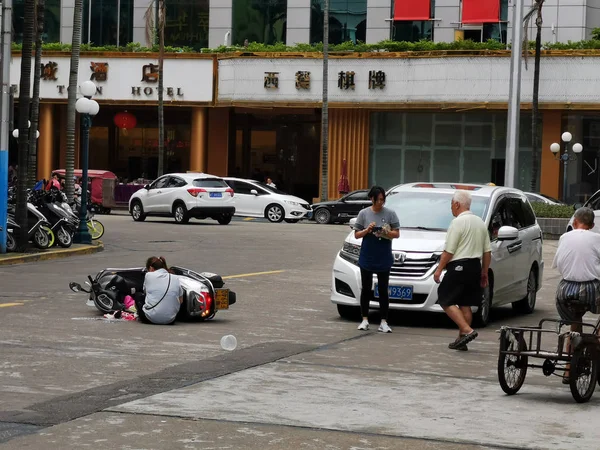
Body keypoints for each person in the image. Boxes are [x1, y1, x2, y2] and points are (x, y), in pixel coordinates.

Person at [433, 190, 491, 351]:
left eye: (452, 204)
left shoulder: (457, 222)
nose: (451, 207)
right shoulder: (480, 222)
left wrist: (438, 270)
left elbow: (449, 251)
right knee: (464, 304)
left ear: (457, 204)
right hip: (475, 267)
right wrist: (484, 272)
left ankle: (467, 330)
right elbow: (487, 251)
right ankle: (461, 339)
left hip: (459, 266)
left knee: (444, 298)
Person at [552, 207, 600, 381]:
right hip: (590, 290)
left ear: (574, 222)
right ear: (592, 225)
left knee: (574, 322)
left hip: (564, 292)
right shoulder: (597, 238)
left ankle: (568, 369)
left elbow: (558, 264)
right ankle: (597, 342)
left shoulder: (565, 237)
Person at [353, 186, 400, 333]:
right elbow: (356, 235)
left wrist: (387, 232)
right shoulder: (364, 214)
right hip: (367, 255)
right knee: (366, 288)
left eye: (382, 199)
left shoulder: (390, 214)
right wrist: (367, 230)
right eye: (377, 199)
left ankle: (384, 321)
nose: (380, 202)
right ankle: (365, 319)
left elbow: (397, 233)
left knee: (383, 289)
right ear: (371, 199)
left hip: (383, 256)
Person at [135, 256, 183, 325]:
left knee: (138, 295)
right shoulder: (175, 278)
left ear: (151, 268)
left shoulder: (148, 275)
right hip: (170, 320)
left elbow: (146, 294)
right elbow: (181, 300)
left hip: (150, 319)